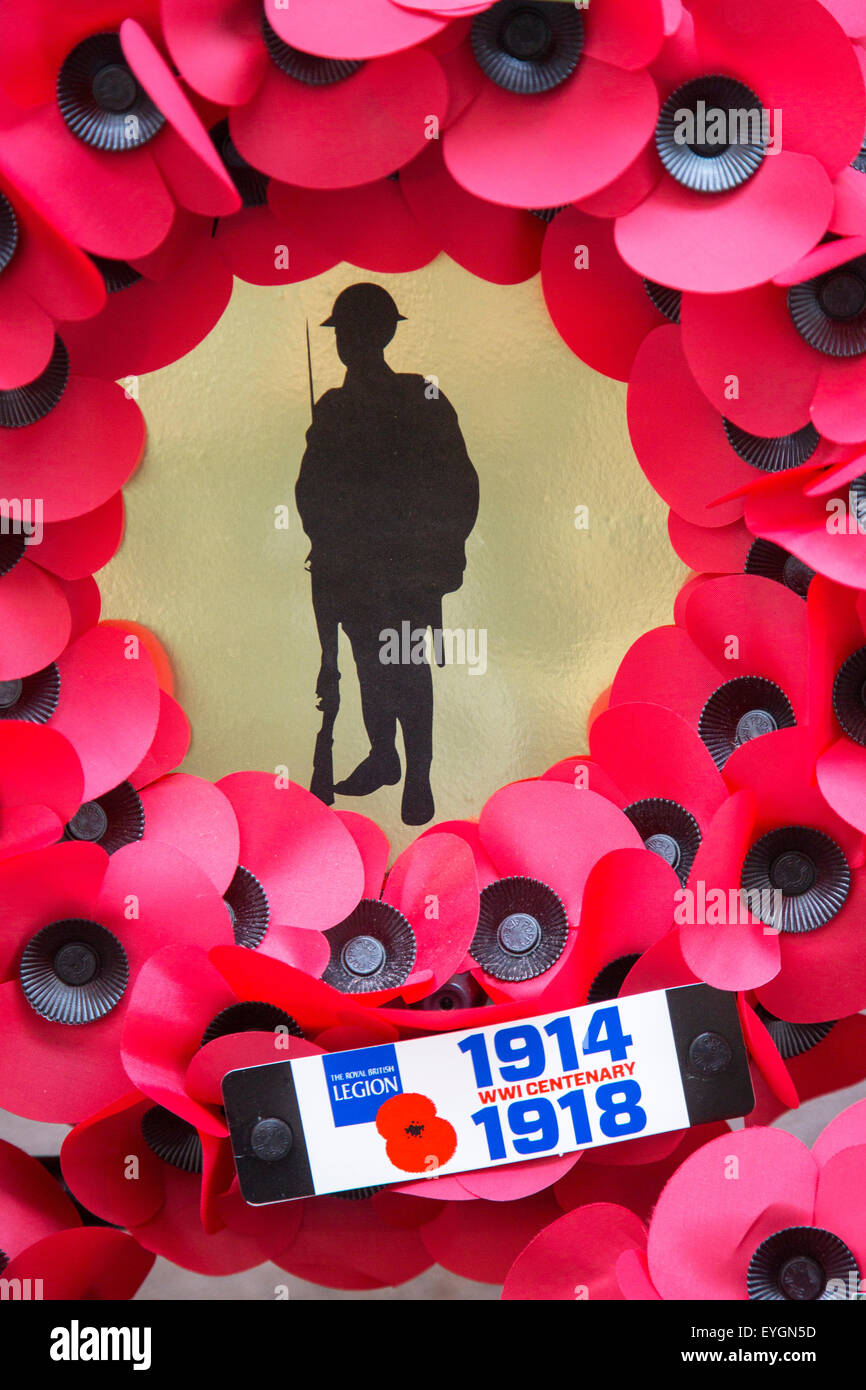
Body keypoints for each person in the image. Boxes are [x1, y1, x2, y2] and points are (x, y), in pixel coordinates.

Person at [296, 282, 479, 825]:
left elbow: (458, 484)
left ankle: (416, 774)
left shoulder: (419, 395)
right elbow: (311, 492)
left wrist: (443, 554)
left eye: (354, 331)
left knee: (405, 666)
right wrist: (325, 540)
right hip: (357, 566)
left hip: (406, 568)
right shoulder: (335, 407)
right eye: (346, 333)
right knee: (372, 666)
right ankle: (385, 758)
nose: (348, 342)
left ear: (378, 335)